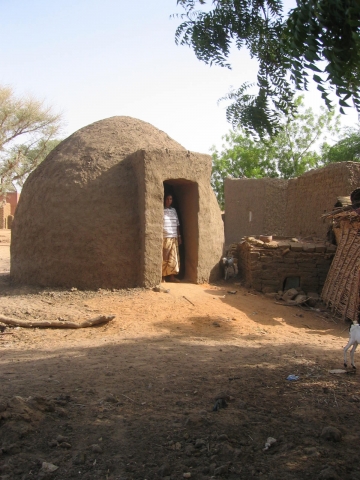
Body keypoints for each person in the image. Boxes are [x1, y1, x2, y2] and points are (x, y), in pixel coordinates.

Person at [162, 194, 182, 282]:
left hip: (174, 236)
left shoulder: (173, 210)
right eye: (167, 199)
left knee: (173, 258)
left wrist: (179, 236)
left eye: (170, 199)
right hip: (165, 236)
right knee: (164, 257)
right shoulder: (161, 209)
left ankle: (172, 276)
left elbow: (177, 224)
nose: (169, 201)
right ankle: (162, 277)